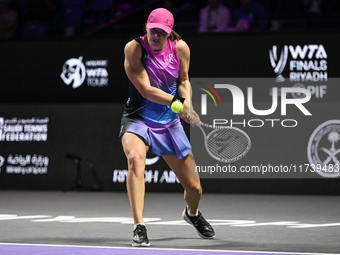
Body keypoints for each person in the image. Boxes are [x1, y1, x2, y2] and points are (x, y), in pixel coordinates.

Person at [119, 7, 215, 247]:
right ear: (146, 28)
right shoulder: (134, 49)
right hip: (138, 119)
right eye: (153, 31)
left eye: (162, 32)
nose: (156, 36)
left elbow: (183, 80)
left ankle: (191, 214)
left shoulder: (181, 48)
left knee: (195, 188)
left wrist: (187, 104)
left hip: (169, 124)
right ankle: (138, 226)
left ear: (169, 32)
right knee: (135, 160)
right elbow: (145, 89)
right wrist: (177, 103)